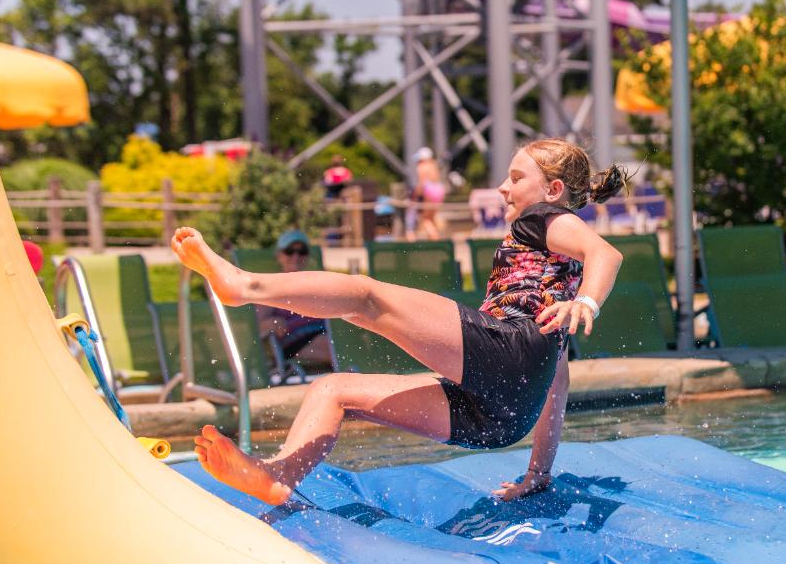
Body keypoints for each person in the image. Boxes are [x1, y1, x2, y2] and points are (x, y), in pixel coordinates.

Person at [172, 138, 625, 504]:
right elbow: (556, 381)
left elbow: (606, 253)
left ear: (553, 191)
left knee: (366, 298)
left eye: (516, 177)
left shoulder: (542, 219)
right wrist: (538, 473)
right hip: (505, 418)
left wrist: (588, 301)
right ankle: (279, 476)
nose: (504, 189)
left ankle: (244, 286)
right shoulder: (553, 290)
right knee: (331, 390)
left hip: (507, 356)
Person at [255, 230, 332, 374]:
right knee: (340, 348)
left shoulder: (318, 285)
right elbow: (256, 327)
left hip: (324, 334)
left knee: (353, 341)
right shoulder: (271, 287)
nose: (296, 256)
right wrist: (272, 322)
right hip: (295, 344)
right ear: (279, 255)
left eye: (302, 251)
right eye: (289, 251)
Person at [410, 146, 446, 240]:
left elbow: (422, 184)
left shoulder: (421, 166)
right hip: (440, 190)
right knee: (432, 217)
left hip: (430, 191)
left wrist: (415, 195)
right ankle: (435, 237)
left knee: (425, 219)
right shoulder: (434, 164)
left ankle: (435, 238)